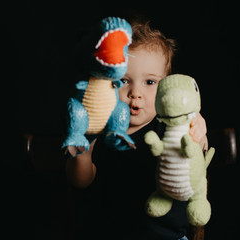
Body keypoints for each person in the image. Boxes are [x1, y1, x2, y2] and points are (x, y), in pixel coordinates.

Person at [66, 18, 208, 240]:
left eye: (150, 82)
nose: (135, 93)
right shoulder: (100, 128)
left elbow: (196, 156)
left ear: (167, 86)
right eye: (123, 81)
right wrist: (83, 149)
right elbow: (81, 180)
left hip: (165, 235)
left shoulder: (169, 127)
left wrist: (197, 125)